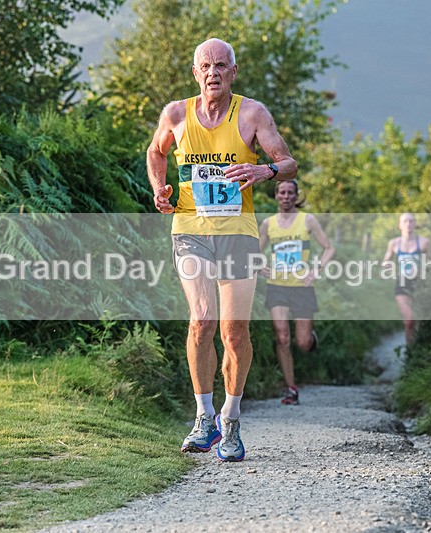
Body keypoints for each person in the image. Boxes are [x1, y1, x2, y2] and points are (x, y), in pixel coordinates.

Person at [147, 38, 297, 462]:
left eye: (220, 66)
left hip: (238, 231)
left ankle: (231, 419)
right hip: (190, 228)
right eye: (205, 66)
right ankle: (204, 417)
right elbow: (156, 151)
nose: (212, 73)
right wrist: (160, 189)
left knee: (234, 332)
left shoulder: (252, 113)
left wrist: (262, 169)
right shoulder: (176, 114)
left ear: (234, 71)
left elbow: (288, 162)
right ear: (196, 73)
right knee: (201, 321)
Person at [258, 180, 334, 405]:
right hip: (277, 285)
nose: (286, 196)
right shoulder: (268, 224)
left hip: (302, 287)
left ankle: (310, 339)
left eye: (290, 192)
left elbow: (329, 248)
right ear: (276, 195)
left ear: (296, 195)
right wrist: (260, 266)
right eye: (282, 192)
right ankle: (291, 389)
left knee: (301, 342)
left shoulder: (307, 220)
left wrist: (315, 270)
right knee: (282, 336)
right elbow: (256, 251)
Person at [383, 213, 430, 345]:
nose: (408, 224)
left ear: (415, 224)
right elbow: (386, 260)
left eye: (411, 221)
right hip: (402, 284)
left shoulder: (424, 242)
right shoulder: (393, 243)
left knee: (420, 321)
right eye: (405, 221)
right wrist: (386, 265)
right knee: (409, 320)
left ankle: (420, 350)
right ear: (400, 225)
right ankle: (410, 352)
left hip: (420, 284)